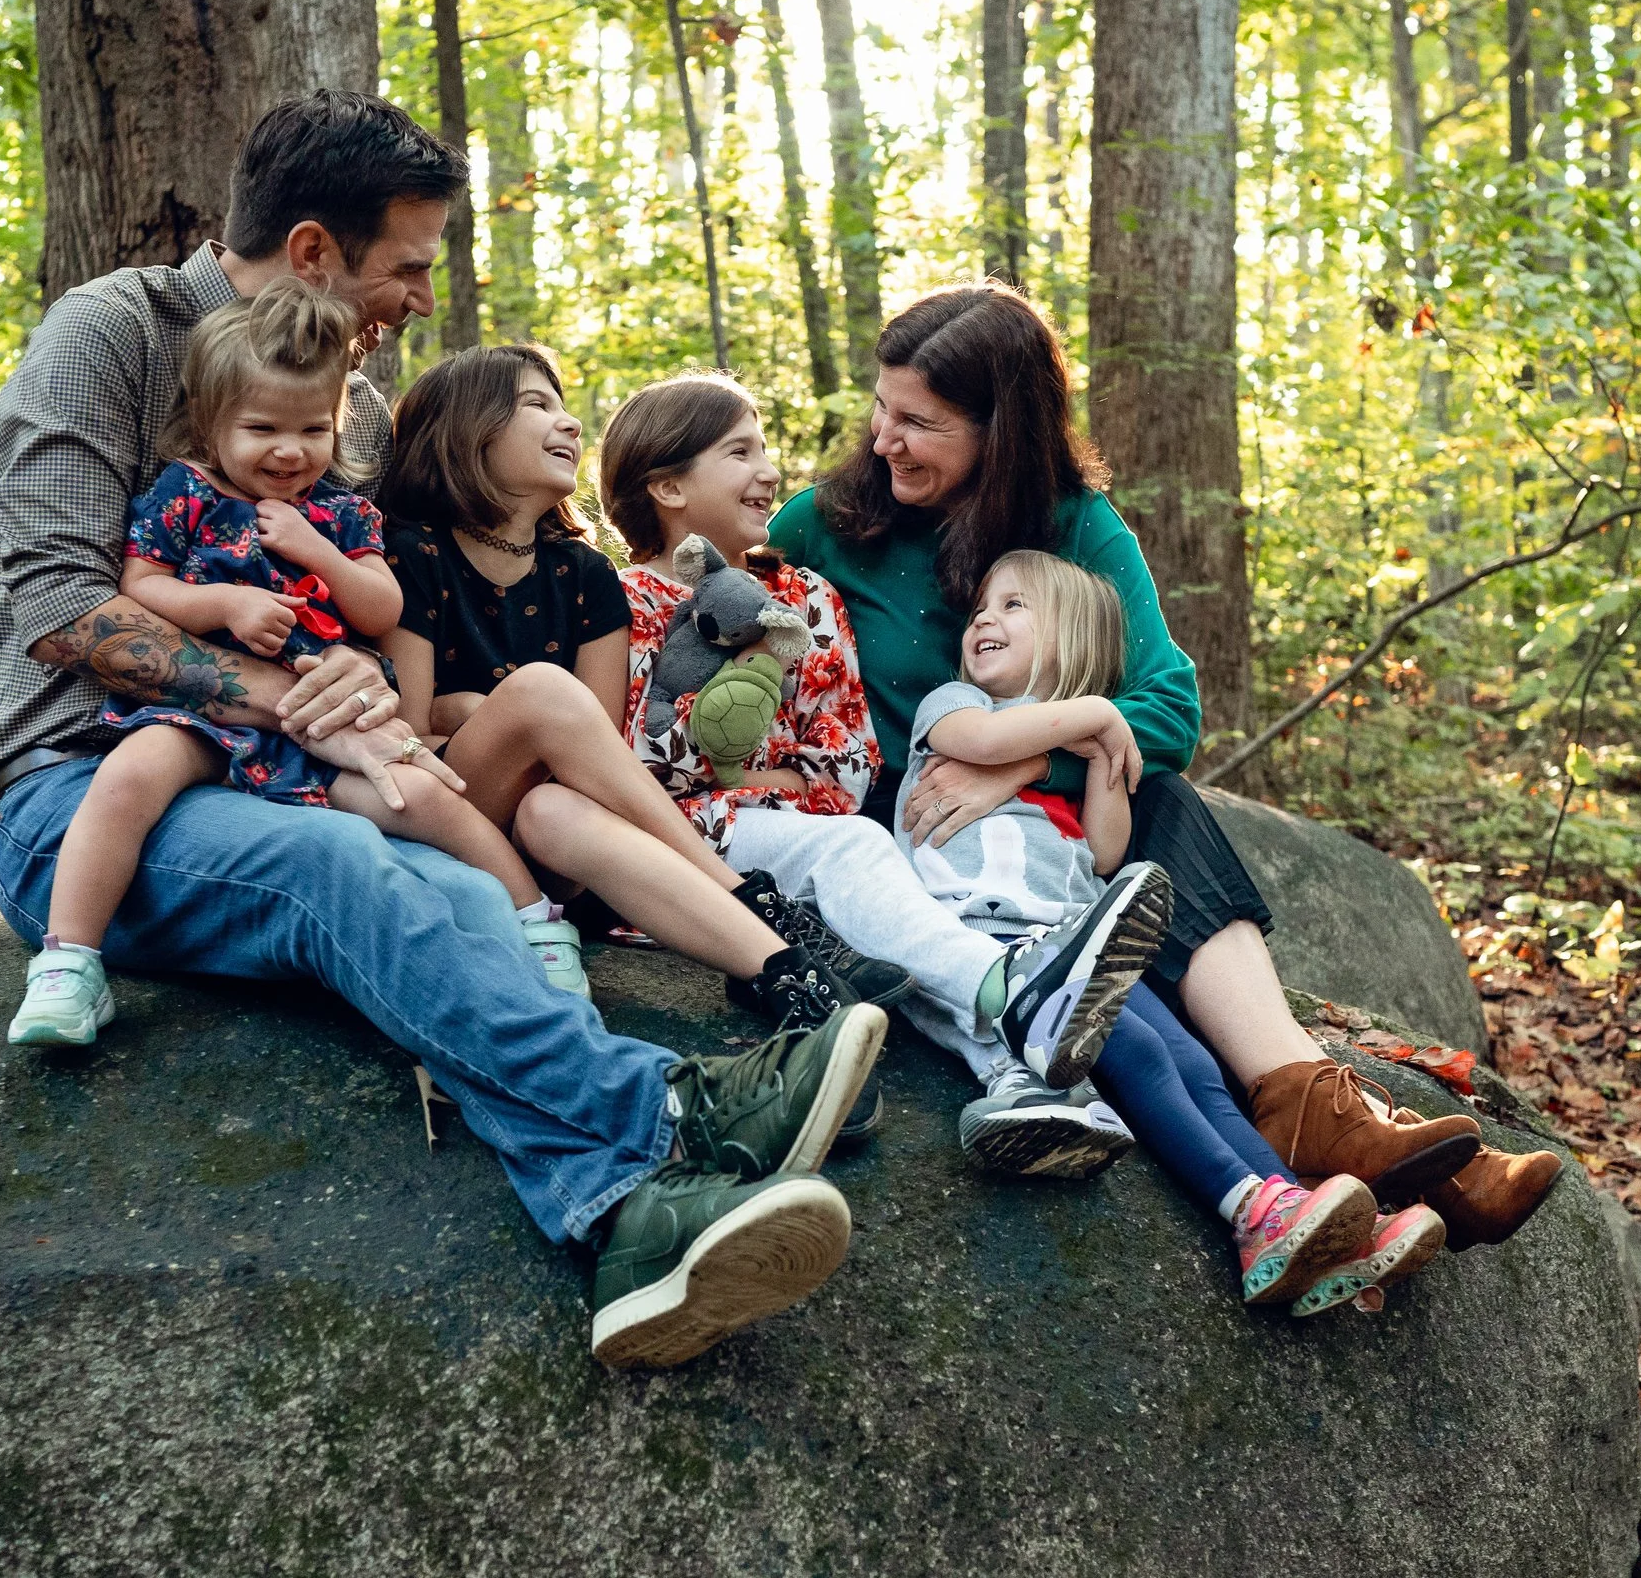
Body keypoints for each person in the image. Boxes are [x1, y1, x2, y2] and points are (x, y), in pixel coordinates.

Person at [0, 88, 883, 1370]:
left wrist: (373, 702)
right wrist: (272, 693)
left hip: (298, 773)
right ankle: (671, 1109)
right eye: (405, 268)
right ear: (309, 253)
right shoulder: (109, 333)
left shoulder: (343, 411)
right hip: (88, 791)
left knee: (435, 877)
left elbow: (367, 606)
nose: (415, 302)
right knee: (344, 871)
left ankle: (623, 1220)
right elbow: (60, 601)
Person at [767, 282, 1561, 1248]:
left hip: (1047, 825)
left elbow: (1170, 707)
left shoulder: (1075, 525)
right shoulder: (826, 520)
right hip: (907, 816)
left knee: (1164, 793)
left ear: (1001, 430)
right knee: (1138, 803)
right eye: (882, 409)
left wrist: (1019, 764)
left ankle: (1303, 1093)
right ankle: (1312, 1132)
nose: (885, 439)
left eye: (919, 422)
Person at [603, 371, 1168, 1177]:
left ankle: (1011, 1077)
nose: (769, 470)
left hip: (794, 846)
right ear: (666, 485)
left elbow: (844, 764)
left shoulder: (806, 597)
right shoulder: (622, 601)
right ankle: (1010, 989)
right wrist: (757, 777)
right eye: (740, 452)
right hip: (682, 852)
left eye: (765, 447)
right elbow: (627, 760)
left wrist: (771, 783)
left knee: (890, 909)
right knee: (863, 857)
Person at [4, 280, 578, 1046]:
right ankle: (69, 961)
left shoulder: (340, 512)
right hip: (202, 712)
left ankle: (538, 920)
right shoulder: (183, 495)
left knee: (422, 797)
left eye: (313, 429)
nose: (289, 449)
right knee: (129, 776)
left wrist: (316, 551)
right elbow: (141, 586)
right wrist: (224, 607)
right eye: (262, 427)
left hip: (324, 725)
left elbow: (380, 607)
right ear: (213, 425)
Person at [902, 549, 1451, 1313]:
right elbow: (985, 745)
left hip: (1076, 943)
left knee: (1194, 1059)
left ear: (1069, 644)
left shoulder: (1080, 737)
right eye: (981, 610)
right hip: (995, 949)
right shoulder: (953, 704)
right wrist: (1097, 717)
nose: (984, 620)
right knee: (1137, 1051)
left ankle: (1308, 1219)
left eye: (1013, 606)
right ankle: (1247, 1210)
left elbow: (1103, 851)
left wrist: (1100, 762)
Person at [372, 347, 912, 1032]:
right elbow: (414, 732)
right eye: (538, 405)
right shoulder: (414, 552)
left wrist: (489, 710)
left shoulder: (583, 573)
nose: (568, 423)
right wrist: (479, 711)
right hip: (453, 809)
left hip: (548, 839)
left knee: (551, 808)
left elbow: (595, 752)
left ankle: (785, 979)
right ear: (463, 434)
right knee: (540, 692)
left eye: (565, 406)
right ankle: (752, 904)